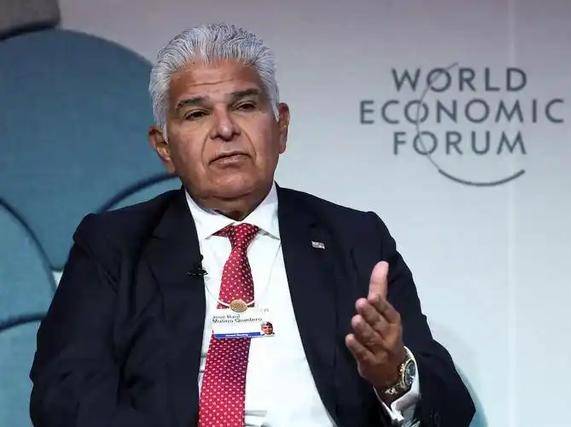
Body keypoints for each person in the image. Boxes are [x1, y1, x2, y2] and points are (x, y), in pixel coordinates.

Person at [30, 23, 475, 427]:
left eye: (244, 105)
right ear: (164, 147)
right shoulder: (114, 247)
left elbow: (452, 406)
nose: (225, 129)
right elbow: (64, 395)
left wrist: (394, 374)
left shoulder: (355, 240)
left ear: (281, 128)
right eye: (196, 114)